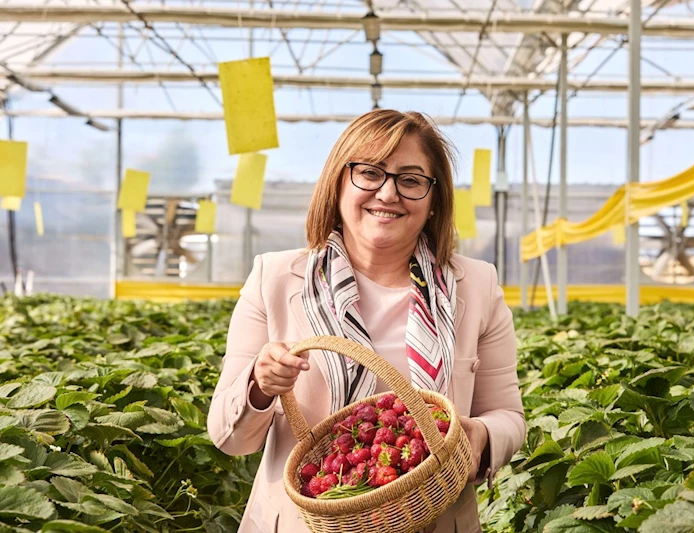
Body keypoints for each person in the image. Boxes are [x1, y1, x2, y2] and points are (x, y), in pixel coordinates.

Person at [207, 109, 525, 533]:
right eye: (370, 173)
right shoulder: (275, 279)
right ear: (338, 184)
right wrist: (260, 386)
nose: (388, 193)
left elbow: (508, 415)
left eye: (410, 180)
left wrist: (480, 436)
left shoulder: (476, 286)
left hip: (431, 518)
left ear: (434, 200)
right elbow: (229, 438)